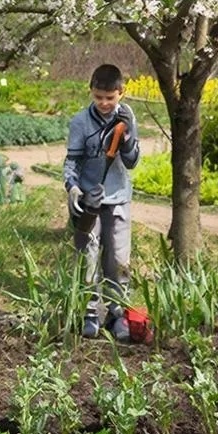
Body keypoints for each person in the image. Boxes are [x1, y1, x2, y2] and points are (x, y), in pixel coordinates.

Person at [62, 63, 141, 340]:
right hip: (89, 202)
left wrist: (129, 138)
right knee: (89, 257)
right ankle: (90, 311)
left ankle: (117, 313)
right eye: (99, 97)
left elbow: (131, 162)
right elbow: (71, 162)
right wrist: (73, 190)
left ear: (122, 92)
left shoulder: (127, 116)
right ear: (91, 93)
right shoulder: (80, 122)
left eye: (110, 97)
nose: (104, 103)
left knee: (118, 259)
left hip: (119, 199)